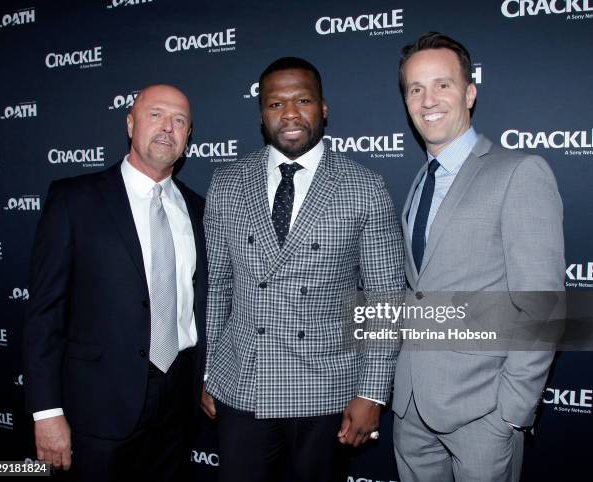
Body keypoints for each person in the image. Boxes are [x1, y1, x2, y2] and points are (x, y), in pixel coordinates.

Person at [201, 57, 404, 482]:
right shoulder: (227, 181)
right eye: (275, 104)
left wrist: (371, 392)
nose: (290, 113)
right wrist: (209, 371)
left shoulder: (364, 187)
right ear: (261, 114)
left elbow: (385, 301)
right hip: (242, 382)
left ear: (323, 108)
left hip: (327, 390)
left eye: (303, 100)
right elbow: (218, 284)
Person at [392, 32, 565, 481]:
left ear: (469, 92)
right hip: (411, 408)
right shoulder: (420, 180)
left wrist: (510, 411)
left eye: (442, 84)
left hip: (482, 412)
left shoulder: (518, 172)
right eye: (415, 88)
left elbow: (543, 307)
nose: (428, 99)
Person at [23, 84, 207, 481]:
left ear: (188, 137)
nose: (167, 128)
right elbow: (44, 314)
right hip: (96, 407)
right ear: (130, 123)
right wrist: (46, 412)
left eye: (179, 121)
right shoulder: (74, 200)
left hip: (178, 399)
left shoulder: (198, 209)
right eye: (155, 114)